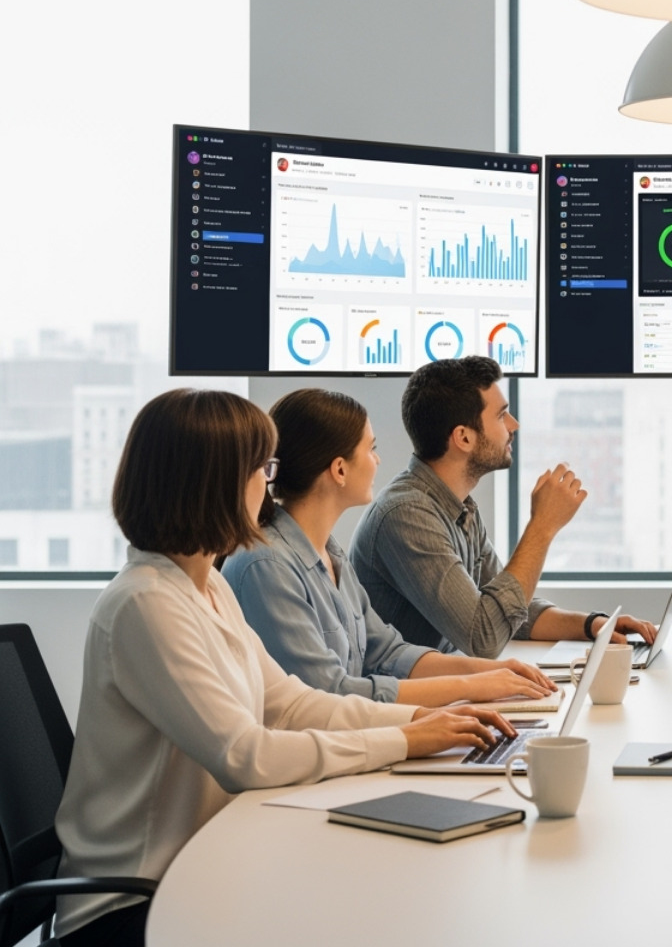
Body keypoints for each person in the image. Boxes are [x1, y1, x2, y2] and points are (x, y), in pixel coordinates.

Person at [52, 390, 512, 947]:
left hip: (207, 861)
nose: (270, 485)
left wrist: (422, 722)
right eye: (261, 470)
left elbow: (289, 703)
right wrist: (406, 740)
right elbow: (245, 755)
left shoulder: (207, 585)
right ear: (217, 481)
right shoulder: (145, 604)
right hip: (136, 902)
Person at [224, 388, 558, 706]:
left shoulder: (330, 554)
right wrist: (469, 687)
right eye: (371, 449)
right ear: (339, 469)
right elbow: (328, 695)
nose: (378, 460)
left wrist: (492, 672)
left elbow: (387, 653)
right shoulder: (266, 566)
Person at [352, 356, 655, 657]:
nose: (514, 425)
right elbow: (484, 637)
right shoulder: (406, 516)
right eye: (501, 416)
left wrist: (594, 625)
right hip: (404, 698)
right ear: (464, 437)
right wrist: (543, 526)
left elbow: (508, 610)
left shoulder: (460, 507)